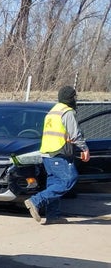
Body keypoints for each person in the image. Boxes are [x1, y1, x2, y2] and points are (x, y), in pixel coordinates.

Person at [24, 85, 90, 225]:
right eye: (74, 97)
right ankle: (35, 201)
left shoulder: (53, 111)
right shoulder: (67, 112)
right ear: (71, 98)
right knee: (69, 179)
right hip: (59, 152)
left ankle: (53, 216)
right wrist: (85, 149)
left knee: (54, 183)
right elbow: (75, 134)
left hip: (47, 153)